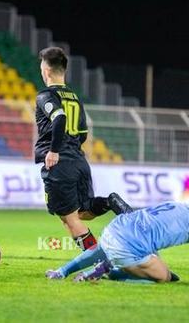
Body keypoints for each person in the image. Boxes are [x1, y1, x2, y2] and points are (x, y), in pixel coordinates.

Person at [34, 47, 132, 251]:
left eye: (42, 68)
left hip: (60, 164)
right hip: (79, 162)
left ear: (47, 71)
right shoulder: (74, 97)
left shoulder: (45, 96)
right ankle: (108, 202)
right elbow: (83, 134)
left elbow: (59, 118)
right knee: (82, 212)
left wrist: (54, 150)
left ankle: (100, 262)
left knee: (69, 219)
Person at [45, 190, 189, 288]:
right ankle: (109, 272)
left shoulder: (179, 205)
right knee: (164, 277)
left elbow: (152, 233)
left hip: (115, 228)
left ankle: (60, 272)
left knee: (102, 249)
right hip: (128, 247)